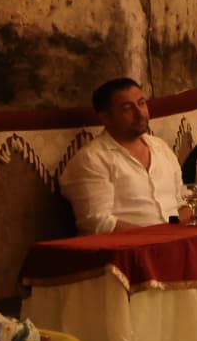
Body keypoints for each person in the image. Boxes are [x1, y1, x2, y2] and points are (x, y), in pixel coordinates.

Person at [59, 78, 185, 234]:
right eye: (127, 108)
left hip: (174, 243)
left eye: (141, 103)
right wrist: (155, 238)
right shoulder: (92, 159)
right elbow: (97, 222)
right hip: (127, 251)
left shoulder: (160, 147)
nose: (140, 113)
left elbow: (183, 202)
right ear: (105, 117)